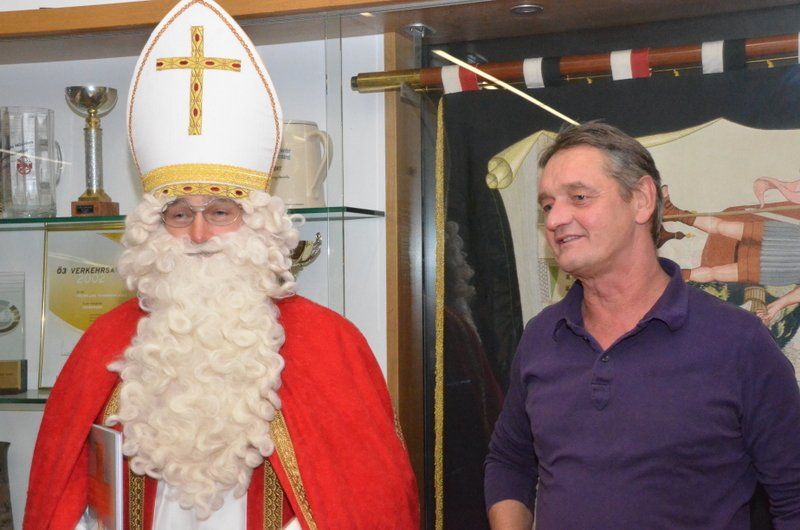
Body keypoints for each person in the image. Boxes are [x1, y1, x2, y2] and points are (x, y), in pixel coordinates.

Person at [23, 0, 419, 528]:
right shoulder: (105, 345)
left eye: (220, 212)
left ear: (257, 223)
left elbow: (366, 501)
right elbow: (66, 498)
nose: (199, 234)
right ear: (152, 231)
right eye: (179, 214)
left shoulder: (331, 345)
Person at [483, 121, 800, 529]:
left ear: (642, 199)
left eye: (579, 197)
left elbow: (794, 496)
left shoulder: (738, 341)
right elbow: (509, 460)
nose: (556, 219)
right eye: (547, 206)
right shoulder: (542, 336)